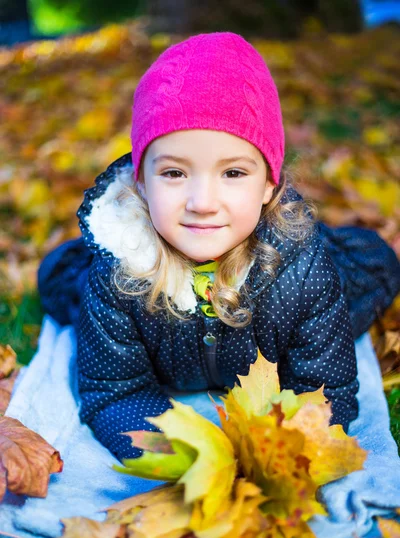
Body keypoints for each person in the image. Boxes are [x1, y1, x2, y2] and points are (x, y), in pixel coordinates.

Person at [38, 32, 400, 462]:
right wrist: (188, 456)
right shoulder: (117, 275)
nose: (203, 203)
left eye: (233, 173)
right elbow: (115, 393)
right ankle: (68, 268)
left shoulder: (306, 271)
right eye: (174, 174)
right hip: (133, 281)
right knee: (68, 284)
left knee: (371, 267)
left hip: (302, 271)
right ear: (140, 180)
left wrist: (275, 458)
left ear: (269, 183)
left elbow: (326, 397)